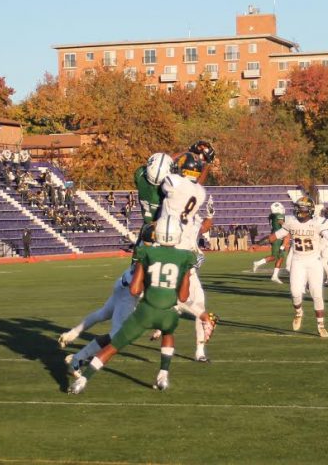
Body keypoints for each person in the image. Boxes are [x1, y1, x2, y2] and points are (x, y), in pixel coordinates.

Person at [69, 217, 195, 395]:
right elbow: (182, 295)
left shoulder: (146, 252)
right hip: (153, 305)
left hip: (141, 304)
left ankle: (83, 377)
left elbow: (136, 289)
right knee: (167, 331)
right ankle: (163, 374)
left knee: (113, 340)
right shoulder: (184, 256)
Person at [61, 223, 157, 375]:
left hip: (123, 281)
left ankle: (72, 334)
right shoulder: (153, 253)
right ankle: (78, 358)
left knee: (103, 313)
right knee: (116, 336)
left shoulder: (142, 247)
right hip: (129, 292)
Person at [155, 152, 217, 361]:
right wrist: (205, 164)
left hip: (167, 245)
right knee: (197, 300)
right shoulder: (199, 192)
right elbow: (194, 184)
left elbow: (159, 176)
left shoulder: (174, 181)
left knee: (160, 292)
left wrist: (180, 154)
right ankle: (199, 351)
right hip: (188, 252)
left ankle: (157, 321)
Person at [261, 196, 328, 337]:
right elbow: (276, 235)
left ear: (310, 210)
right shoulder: (292, 223)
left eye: (303, 209)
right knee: (295, 292)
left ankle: (321, 325)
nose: (300, 211)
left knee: (317, 294)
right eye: (298, 209)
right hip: (298, 260)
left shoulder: (317, 223)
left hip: (314, 261)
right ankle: (298, 313)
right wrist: (260, 242)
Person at [252, 202, 289, 284]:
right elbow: (282, 223)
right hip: (277, 237)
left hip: (277, 236)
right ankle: (258, 263)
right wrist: (288, 226)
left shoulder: (271, 216)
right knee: (274, 257)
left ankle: (275, 276)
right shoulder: (278, 216)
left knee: (280, 257)